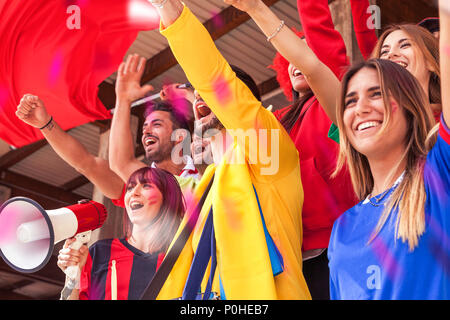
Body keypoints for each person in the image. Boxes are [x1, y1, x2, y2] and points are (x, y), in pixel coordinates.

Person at [147, 0, 310, 300]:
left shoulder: (269, 152)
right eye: (197, 96)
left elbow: (214, 79)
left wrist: (168, 8)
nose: (199, 95)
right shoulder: (206, 185)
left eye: (206, 93)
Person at [327, 1, 450, 298]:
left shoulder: (438, 173)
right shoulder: (341, 229)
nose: (361, 108)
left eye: (377, 94)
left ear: (409, 108)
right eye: (350, 101)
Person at [262, 0, 364, 299]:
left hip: (342, 241)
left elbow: (322, 43)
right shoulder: (275, 119)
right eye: (289, 56)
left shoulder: (337, 100)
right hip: (287, 254)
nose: (297, 61)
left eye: (304, 51)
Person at [56, 166, 185, 300]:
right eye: (130, 188)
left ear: (168, 198)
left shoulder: (185, 257)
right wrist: (72, 275)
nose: (133, 193)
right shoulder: (100, 252)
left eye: (146, 186)